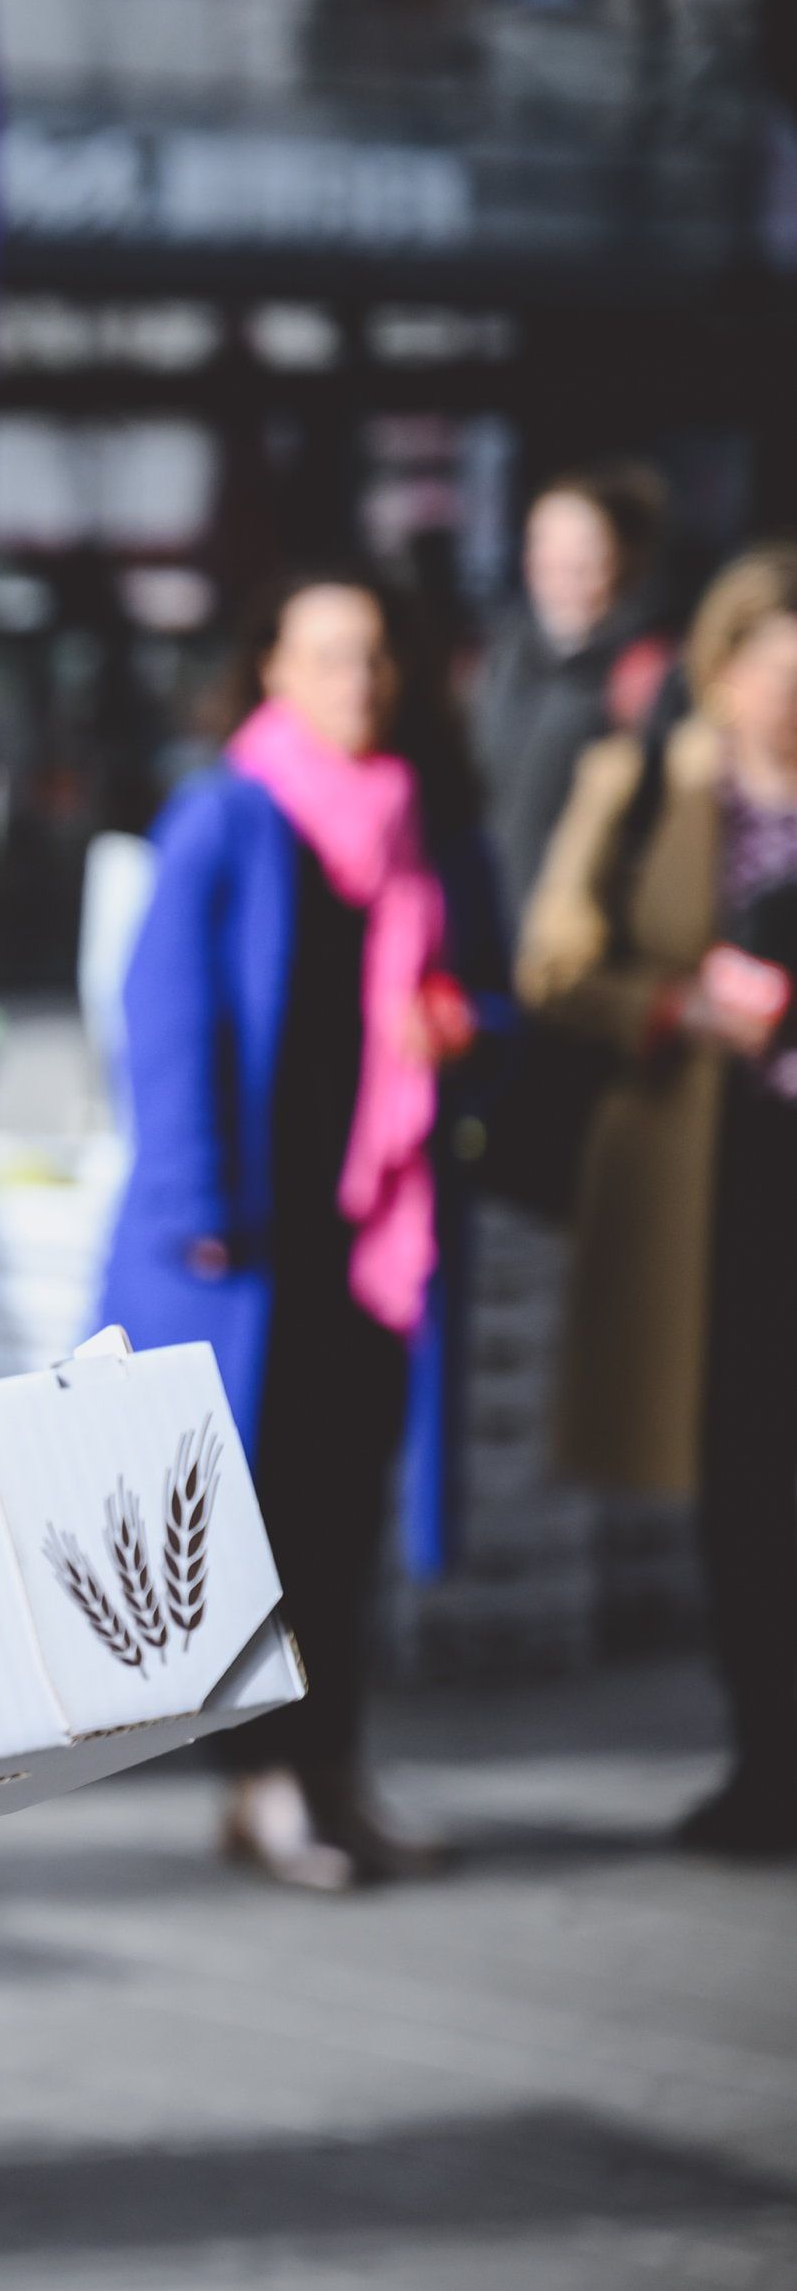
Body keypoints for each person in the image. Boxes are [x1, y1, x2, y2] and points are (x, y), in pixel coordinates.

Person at [98, 570, 504, 1891]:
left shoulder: (430, 825)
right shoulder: (224, 814)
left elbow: (494, 994)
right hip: (247, 1252)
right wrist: (197, 1206)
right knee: (249, 1530)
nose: (359, 680)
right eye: (329, 654)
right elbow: (164, 1023)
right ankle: (263, 1782)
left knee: (343, 1517)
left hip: (374, 1244)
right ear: (270, 669)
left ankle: (335, 1772)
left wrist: (462, 1024)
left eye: (378, 656)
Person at [519, 543, 797, 1855]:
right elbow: (556, 963)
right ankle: (763, 1756)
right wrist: (677, 1008)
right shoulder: (645, 782)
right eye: (768, 669)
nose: (785, 700)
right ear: (721, 669)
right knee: (742, 1471)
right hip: (715, 1177)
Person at [473, 464, 673, 909]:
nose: (563, 562)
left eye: (584, 545)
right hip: (485, 923)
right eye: (546, 541)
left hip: (578, 940)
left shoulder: (649, 670)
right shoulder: (502, 654)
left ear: (623, 556)